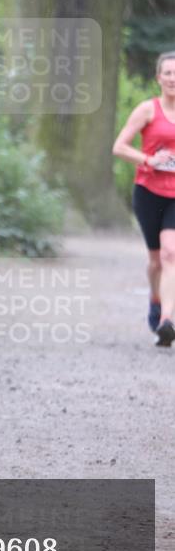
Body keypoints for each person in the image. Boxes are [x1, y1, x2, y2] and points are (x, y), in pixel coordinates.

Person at [112, 50, 175, 348]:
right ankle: (155, 300)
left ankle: (166, 321)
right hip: (149, 192)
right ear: (158, 78)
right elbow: (120, 147)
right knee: (154, 261)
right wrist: (150, 159)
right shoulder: (147, 110)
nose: (173, 79)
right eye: (168, 73)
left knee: (170, 253)